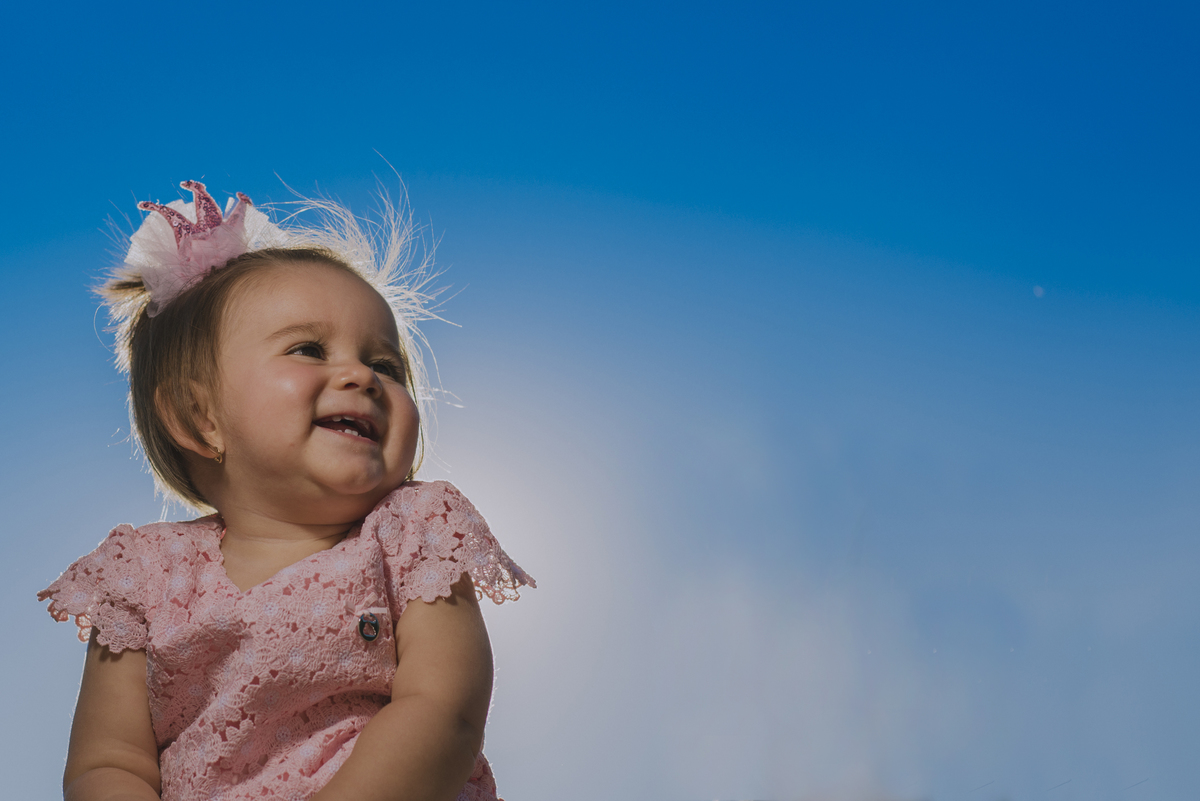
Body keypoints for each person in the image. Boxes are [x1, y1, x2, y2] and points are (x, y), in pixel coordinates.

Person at [37, 180, 534, 801]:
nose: (361, 376)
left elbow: (443, 710)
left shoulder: (415, 531)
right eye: (309, 349)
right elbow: (107, 763)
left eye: (385, 365)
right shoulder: (142, 577)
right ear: (200, 418)